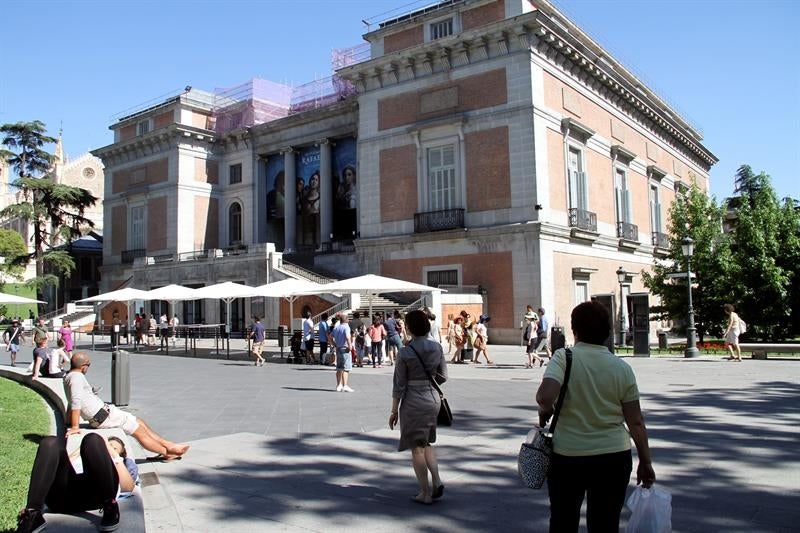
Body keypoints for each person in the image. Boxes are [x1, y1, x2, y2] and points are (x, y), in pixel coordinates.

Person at [535, 301, 655, 532]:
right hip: (613, 456)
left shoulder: (564, 357)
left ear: (575, 329)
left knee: (563, 520)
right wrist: (646, 461)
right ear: (607, 332)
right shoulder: (621, 368)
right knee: (605, 524)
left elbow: (544, 398)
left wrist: (546, 412)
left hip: (568, 455)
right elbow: (636, 421)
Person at [64, 352, 190, 459]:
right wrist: (75, 426)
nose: (88, 368)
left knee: (139, 422)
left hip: (105, 413)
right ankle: (167, 453)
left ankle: (169, 445)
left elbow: (71, 401)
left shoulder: (70, 376)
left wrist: (68, 420)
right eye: (88, 365)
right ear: (83, 366)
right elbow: (75, 401)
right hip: (103, 417)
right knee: (139, 431)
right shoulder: (76, 378)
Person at [15, 433, 137, 533]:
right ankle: (32, 513)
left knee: (92, 438)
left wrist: (110, 452)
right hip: (63, 496)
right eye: (107, 444)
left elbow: (128, 486)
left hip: (95, 495)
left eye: (114, 447)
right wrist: (82, 450)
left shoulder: (118, 463)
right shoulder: (85, 451)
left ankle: (110, 506)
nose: (108, 446)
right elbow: (64, 462)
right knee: (51, 442)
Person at [389, 310, 448, 505]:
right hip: (433, 398)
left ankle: (425, 493)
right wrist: (430, 379)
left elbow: (399, 384)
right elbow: (444, 376)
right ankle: (437, 480)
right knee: (426, 442)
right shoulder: (437, 347)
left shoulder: (406, 352)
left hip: (414, 399)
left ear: (409, 327)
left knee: (416, 447)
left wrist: (393, 410)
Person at [331, 312, 354, 392]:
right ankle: (345, 385)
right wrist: (350, 346)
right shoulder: (346, 327)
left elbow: (330, 337)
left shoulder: (336, 328)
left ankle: (338, 385)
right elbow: (348, 337)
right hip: (345, 348)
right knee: (346, 368)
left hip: (338, 348)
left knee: (339, 368)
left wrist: (334, 344)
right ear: (346, 320)